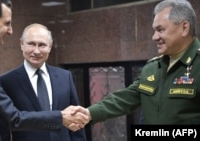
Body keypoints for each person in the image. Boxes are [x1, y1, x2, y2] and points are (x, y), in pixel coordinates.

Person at [0, 0, 88, 140]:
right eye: (7, 23)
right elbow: (12, 118)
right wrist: (60, 117)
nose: (10, 31)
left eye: (42, 45)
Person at [67, 0, 200, 128]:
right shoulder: (153, 67)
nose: (154, 37)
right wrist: (89, 113)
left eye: (160, 30)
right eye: (154, 31)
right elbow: (127, 97)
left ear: (184, 28)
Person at [0, 23, 86, 141]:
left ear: (50, 47)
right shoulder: (7, 81)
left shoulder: (65, 77)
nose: (36, 51)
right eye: (31, 44)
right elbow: (3, 126)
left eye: (42, 45)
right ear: (21, 44)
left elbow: (77, 120)